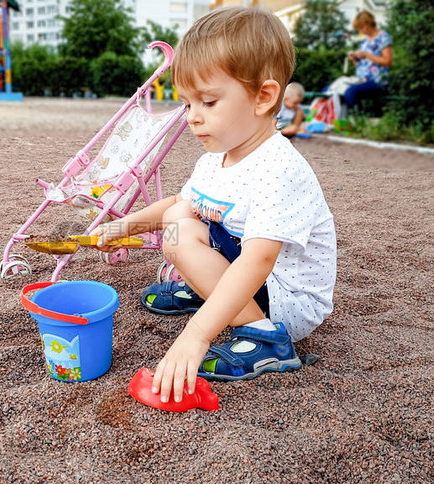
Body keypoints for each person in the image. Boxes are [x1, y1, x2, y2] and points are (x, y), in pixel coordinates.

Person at [91, 7, 336, 404]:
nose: (192, 118)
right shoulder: (216, 158)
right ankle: (208, 290)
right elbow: (179, 202)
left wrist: (196, 336)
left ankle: (266, 338)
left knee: (180, 233)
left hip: (285, 298)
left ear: (263, 97)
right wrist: (121, 228)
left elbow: (258, 261)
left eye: (208, 102)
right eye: (187, 104)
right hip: (246, 273)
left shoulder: (279, 168)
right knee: (177, 219)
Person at [343, 11, 393, 110]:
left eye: (361, 28)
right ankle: (347, 118)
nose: (360, 31)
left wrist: (366, 55)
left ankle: (359, 118)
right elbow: (362, 65)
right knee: (331, 90)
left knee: (350, 92)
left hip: (376, 80)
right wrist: (355, 58)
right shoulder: (364, 40)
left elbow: (387, 61)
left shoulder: (383, 36)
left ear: (368, 24)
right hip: (360, 79)